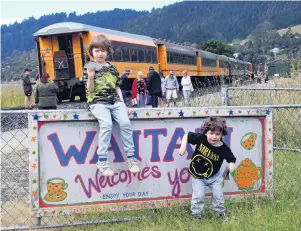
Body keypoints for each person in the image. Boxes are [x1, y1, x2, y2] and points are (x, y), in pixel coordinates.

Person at [85, 34, 140, 176]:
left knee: (125, 123)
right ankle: (102, 160)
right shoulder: (90, 67)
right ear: (92, 52)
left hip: (115, 101)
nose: (100, 53)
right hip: (98, 102)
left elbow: (117, 88)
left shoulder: (113, 68)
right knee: (107, 124)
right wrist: (90, 77)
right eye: (97, 50)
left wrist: (123, 104)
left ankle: (131, 158)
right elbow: (90, 90)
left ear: (107, 52)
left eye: (103, 50)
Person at [179, 117, 236, 219]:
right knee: (199, 196)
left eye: (217, 134)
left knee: (218, 196)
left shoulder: (224, 149)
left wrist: (231, 166)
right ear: (206, 132)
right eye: (211, 133)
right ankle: (197, 216)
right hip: (198, 176)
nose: (214, 137)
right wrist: (183, 147)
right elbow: (187, 136)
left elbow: (231, 159)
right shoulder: (201, 138)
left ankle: (220, 215)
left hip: (215, 177)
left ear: (222, 135)